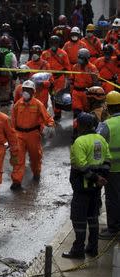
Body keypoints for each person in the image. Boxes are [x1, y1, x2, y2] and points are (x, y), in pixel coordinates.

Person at [62, 113, 110, 259]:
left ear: (81, 126)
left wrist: (95, 178)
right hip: (96, 188)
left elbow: (81, 166)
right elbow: (108, 160)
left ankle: (78, 250)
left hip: (82, 188)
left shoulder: (79, 141)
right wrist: (101, 178)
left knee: (78, 219)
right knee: (93, 218)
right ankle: (93, 247)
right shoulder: (101, 139)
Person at [10, 80, 55, 190]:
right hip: (19, 134)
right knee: (18, 159)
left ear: (33, 91)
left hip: (33, 135)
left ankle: (36, 172)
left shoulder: (38, 104)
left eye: (28, 90)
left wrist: (50, 125)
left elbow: (47, 117)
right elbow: (12, 122)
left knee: (35, 157)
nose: (26, 92)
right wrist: (11, 135)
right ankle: (16, 181)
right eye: (24, 90)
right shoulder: (17, 105)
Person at [97, 91, 120, 239]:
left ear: (109, 108)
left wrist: (97, 168)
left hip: (112, 169)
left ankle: (113, 229)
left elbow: (96, 146)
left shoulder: (106, 125)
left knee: (112, 199)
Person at [41, 36, 72, 120]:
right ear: (50, 44)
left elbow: (67, 66)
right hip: (48, 78)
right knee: (49, 95)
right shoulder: (45, 54)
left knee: (58, 96)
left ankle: (57, 113)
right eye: (52, 43)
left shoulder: (63, 53)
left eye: (55, 43)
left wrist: (69, 78)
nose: (54, 45)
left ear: (58, 44)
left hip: (59, 78)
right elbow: (41, 65)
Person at [69, 48, 99, 115]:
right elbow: (72, 80)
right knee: (77, 112)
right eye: (79, 57)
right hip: (76, 93)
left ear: (87, 58)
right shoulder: (75, 67)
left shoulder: (92, 68)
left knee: (87, 112)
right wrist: (71, 92)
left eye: (82, 58)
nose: (80, 59)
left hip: (87, 93)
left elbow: (95, 82)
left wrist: (93, 95)